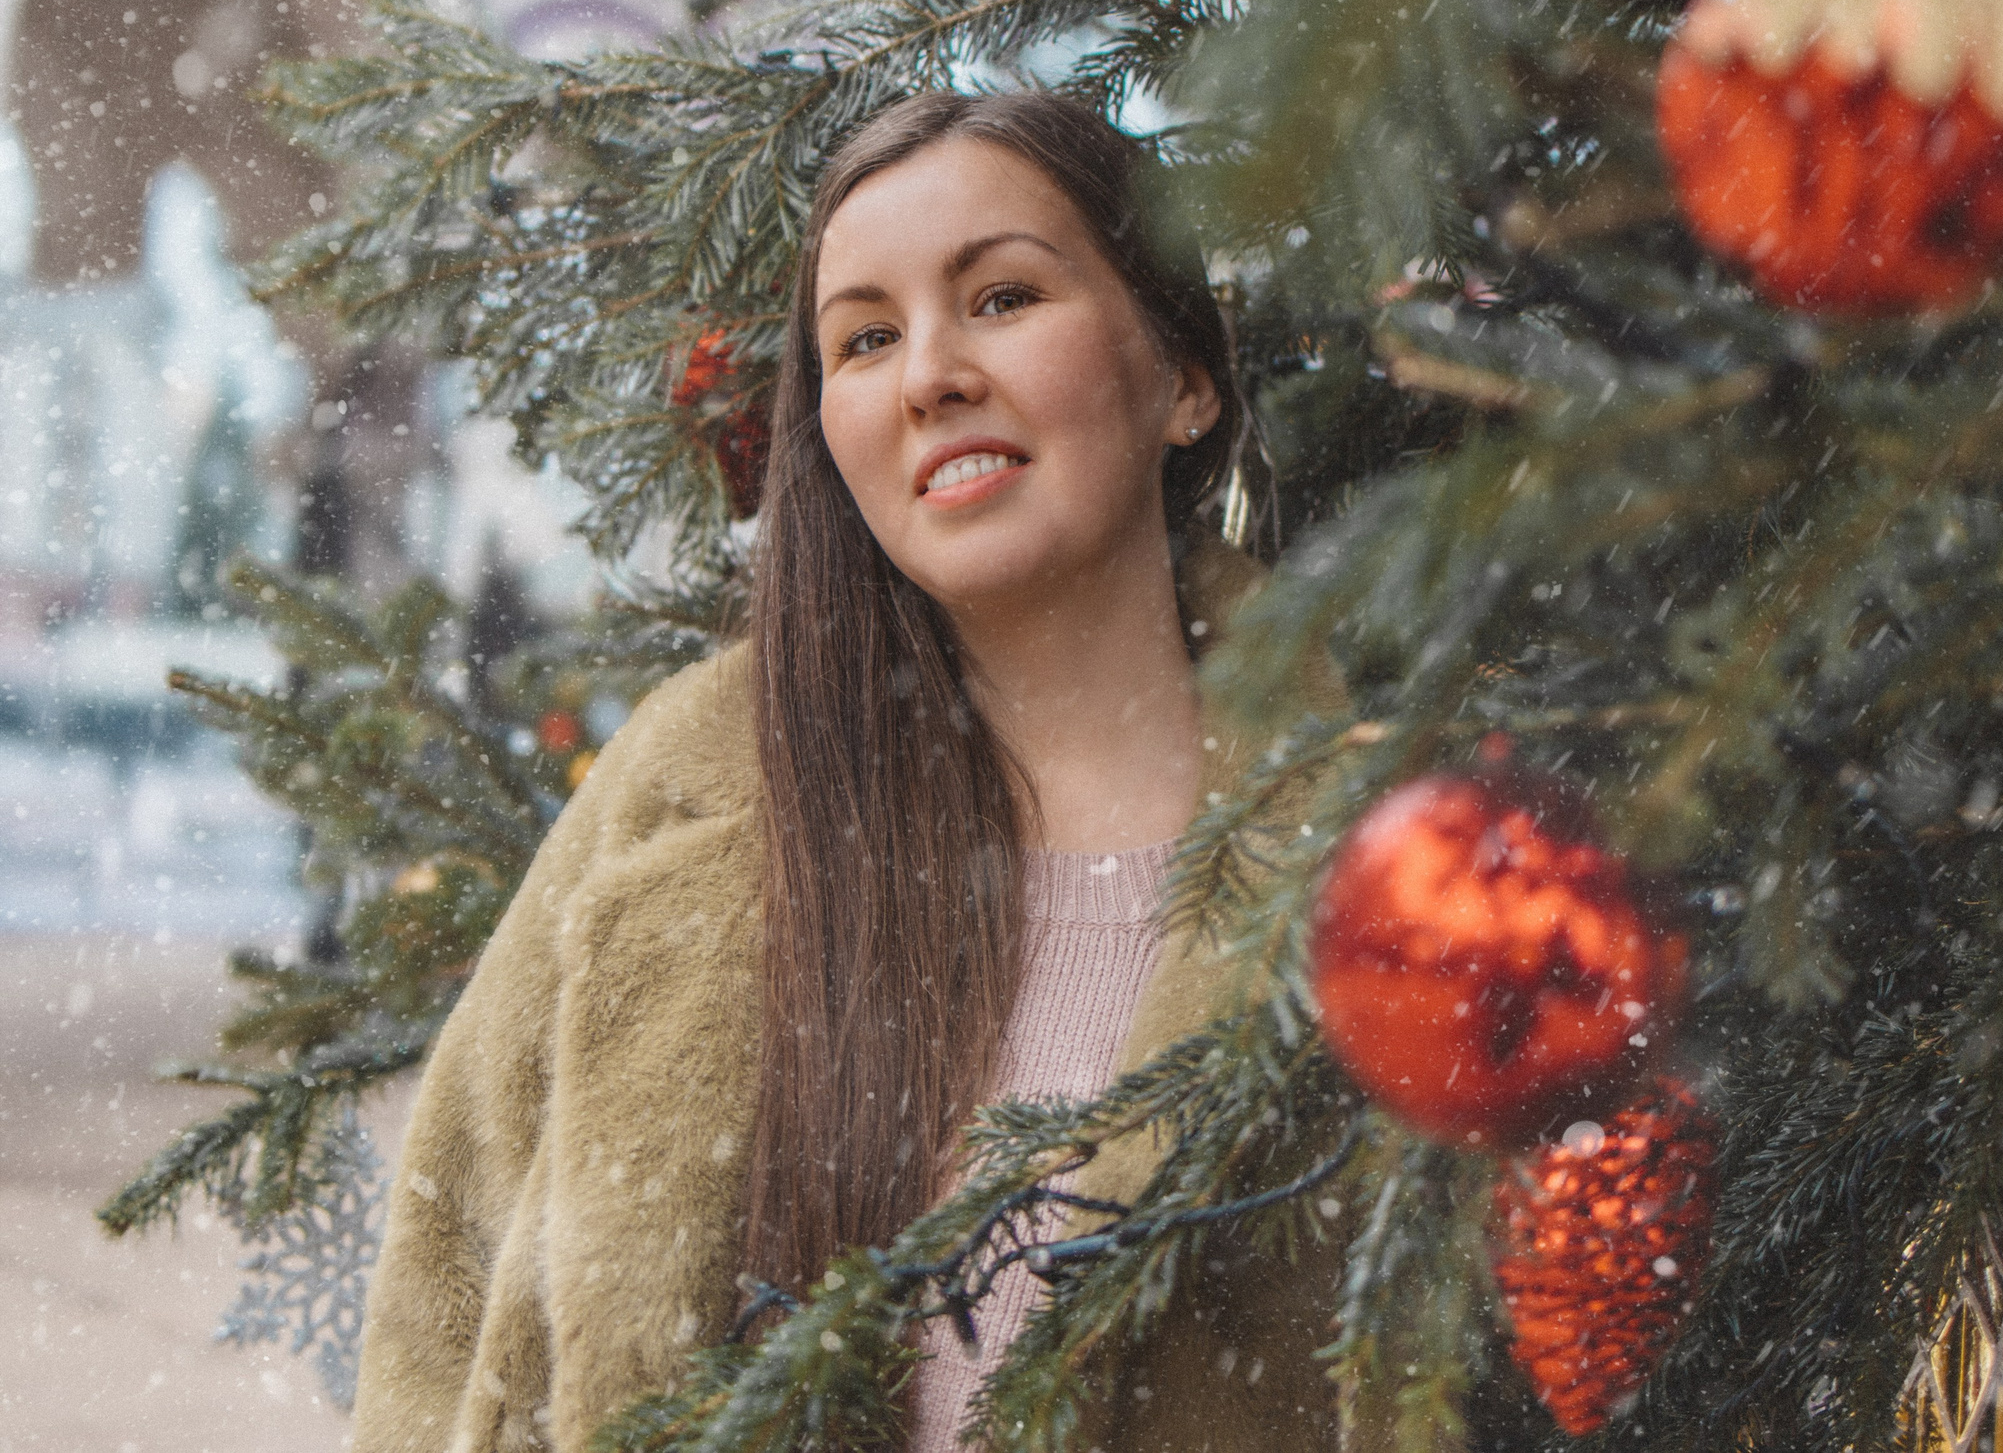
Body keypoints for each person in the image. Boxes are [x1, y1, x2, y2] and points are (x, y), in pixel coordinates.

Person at [349, 92, 1343, 1453]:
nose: (930, 371)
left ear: (1183, 375)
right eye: (865, 337)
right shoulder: (692, 795)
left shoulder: (1383, 851)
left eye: (1000, 296)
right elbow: (443, 1294)